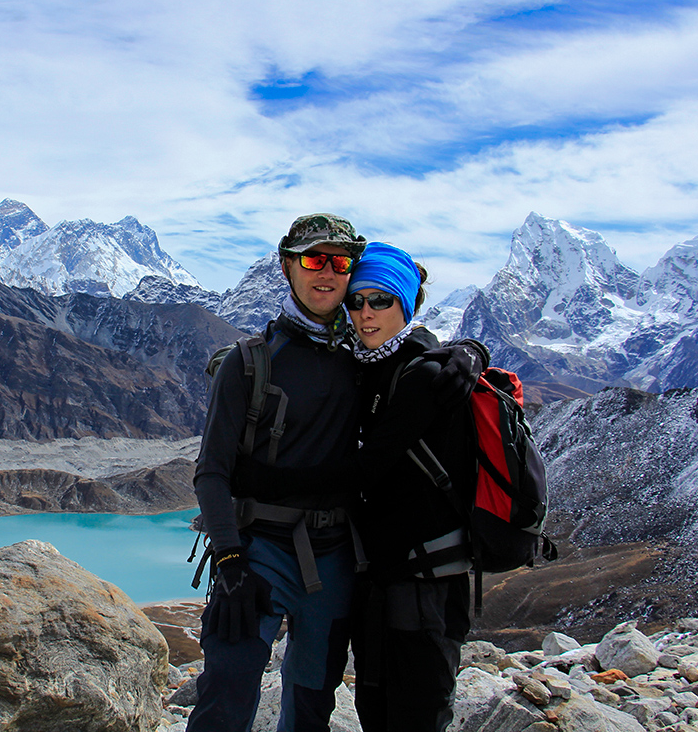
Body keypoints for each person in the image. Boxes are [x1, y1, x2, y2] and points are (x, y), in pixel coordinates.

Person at [188, 216, 484, 732]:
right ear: (287, 266)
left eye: (339, 262)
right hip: (257, 553)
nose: (326, 272)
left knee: (310, 707)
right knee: (225, 697)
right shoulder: (248, 363)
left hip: (335, 561)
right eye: (312, 259)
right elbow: (212, 472)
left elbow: (411, 351)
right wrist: (231, 558)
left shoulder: (362, 356)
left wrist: (468, 352)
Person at [346, 242, 487, 732]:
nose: (365, 313)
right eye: (356, 301)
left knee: (415, 716)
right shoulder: (369, 366)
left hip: (426, 585)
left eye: (380, 300)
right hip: (381, 582)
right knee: (376, 713)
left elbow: (361, 475)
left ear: (405, 304)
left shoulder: (426, 373)